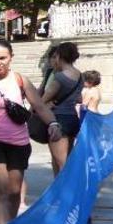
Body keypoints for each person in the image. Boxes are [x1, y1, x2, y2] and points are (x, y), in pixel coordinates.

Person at [0, 40, 61, 224]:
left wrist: (52, 123)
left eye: (2, 58)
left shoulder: (21, 80)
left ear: (11, 58)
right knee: (0, 191)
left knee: (14, 191)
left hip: (18, 143)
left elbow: (39, 106)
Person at [40, 43, 83, 175]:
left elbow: (42, 101)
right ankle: (60, 190)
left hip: (58, 119)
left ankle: (66, 192)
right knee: (66, 160)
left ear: (59, 56)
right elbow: (79, 99)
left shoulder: (60, 77)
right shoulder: (79, 75)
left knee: (61, 162)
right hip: (72, 118)